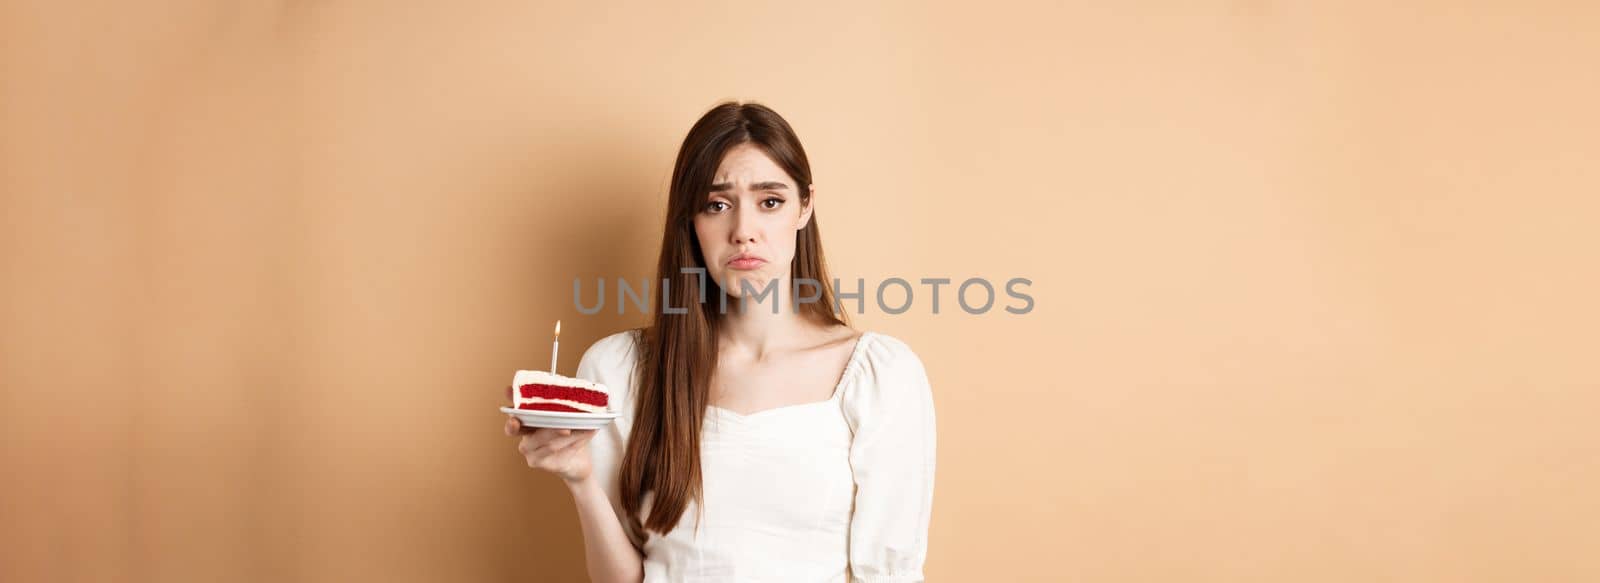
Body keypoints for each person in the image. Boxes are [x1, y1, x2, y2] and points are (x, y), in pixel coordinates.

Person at [503, 101, 936, 582]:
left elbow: (891, 575)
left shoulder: (879, 375)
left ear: (805, 206)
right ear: (690, 218)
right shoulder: (619, 369)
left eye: (770, 201)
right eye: (717, 205)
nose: (743, 232)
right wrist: (580, 478)